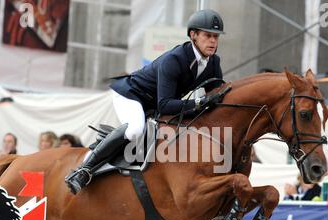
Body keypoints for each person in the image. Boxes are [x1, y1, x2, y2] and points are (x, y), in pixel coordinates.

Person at [65, 9, 226, 194]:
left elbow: (217, 97)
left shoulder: (213, 63)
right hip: (131, 95)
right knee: (135, 129)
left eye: (216, 36)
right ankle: (84, 170)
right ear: (193, 35)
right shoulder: (174, 60)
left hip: (154, 103)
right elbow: (165, 105)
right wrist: (199, 103)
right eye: (208, 35)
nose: (213, 41)